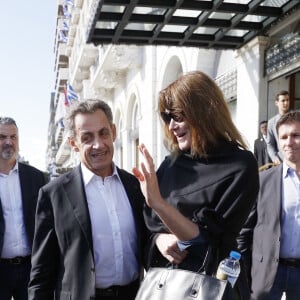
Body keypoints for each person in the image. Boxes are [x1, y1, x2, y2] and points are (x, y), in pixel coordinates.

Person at [132, 71, 259, 298]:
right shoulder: (170, 165)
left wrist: (159, 204)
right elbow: (148, 227)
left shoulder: (241, 164)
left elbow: (208, 238)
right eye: (166, 117)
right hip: (167, 287)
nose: (171, 126)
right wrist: (160, 239)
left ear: (204, 111)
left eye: (178, 116)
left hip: (213, 286)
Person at [28, 99, 148, 300]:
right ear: (73, 143)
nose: (98, 144)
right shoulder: (53, 195)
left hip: (134, 295)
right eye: (87, 137)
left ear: (114, 132)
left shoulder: (135, 186)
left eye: (103, 133)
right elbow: (42, 273)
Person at [238, 110, 300, 300]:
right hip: (267, 273)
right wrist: (243, 274)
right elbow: (244, 233)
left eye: (296, 135)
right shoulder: (262, 181)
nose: (289, 142)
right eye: (284, 137)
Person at [0, 117, 47, 300]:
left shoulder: (37, 178)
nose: (8, 142)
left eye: (13, 137)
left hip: (30, 268)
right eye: (2, 137)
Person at [266, 90, 290, 164]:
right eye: (283, 101)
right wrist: (274, 157)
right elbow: (270, 144)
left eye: (287, 100)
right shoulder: (271, 123)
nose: (286, 103)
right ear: (277, 103)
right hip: (281, 161)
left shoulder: (296, 119)